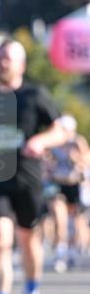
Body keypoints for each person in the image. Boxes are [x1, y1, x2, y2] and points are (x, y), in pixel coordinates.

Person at [0, 38, 68, 294]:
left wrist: (41, 140)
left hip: (27, 178)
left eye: (8, 58)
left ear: (21, 65)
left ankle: (31, 293)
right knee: (0, 239)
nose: (2, 62)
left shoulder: (35, 94)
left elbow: (61, 130)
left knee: (29, 241)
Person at [45, 115, 89, 272]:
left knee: (75, 222)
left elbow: (86, 162)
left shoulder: (78, 142)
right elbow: (45, 161)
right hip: (57, 185)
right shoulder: (53, 142)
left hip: (74, 184)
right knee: (59, 219)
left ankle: (71, 250)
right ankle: (60, 253)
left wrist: (76, 158)